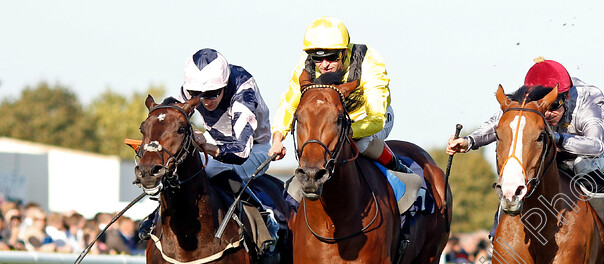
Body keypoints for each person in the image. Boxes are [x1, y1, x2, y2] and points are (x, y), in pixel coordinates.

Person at [446, 57, 604, 256]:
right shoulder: (526, 99)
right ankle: (500, 224)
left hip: (595, 150)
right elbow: (500, 123)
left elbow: (596, 145)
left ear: (566, 98)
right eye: (544, 109)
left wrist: (557, 138)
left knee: (580, 165)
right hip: (549, 146)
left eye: (553, 107)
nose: (548, 113)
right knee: (520, 170)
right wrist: (468, 142)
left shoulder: (590, 97)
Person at [139, 48, 280, 245]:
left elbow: (240, 151)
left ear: (223, 86)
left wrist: (207, 147)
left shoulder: (243, 90)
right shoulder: (190, 88)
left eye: (212, 94)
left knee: (212, 169)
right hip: (216, 139)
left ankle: (264, 218)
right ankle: (156, 215)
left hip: (255, 147)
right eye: (198, 95)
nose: (205, 101)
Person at [269, 16, 411, 173]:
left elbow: (376, 118)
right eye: (318, 58)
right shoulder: (306, 64)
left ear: (344, 52)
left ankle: (400, 169)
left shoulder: (369, 62)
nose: (324, 64)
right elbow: (289, 106)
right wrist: (277, 139)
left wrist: (344, 131)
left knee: (361, 143)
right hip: (331, 123)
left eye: (332, 57)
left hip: (369, 119)